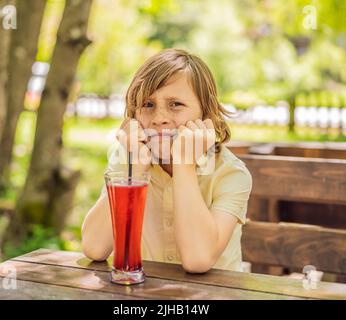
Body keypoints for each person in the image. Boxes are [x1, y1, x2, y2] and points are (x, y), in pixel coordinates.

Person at [82, 48, 252, 273]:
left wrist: (184, 164)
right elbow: (95, 248)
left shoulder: (230, 174)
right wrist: (134, 173)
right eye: (148, 104)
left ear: (205, 115)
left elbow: (198, 260)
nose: (159, 118)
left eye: (176, 104)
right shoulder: (128, 158)